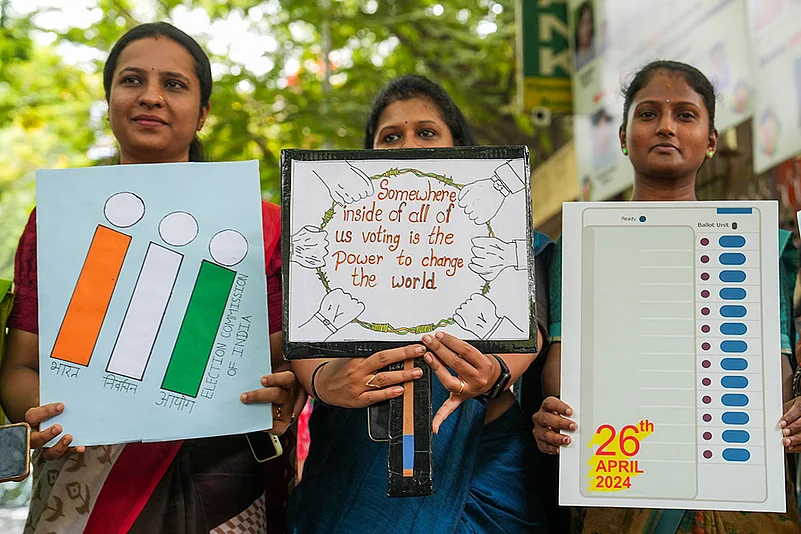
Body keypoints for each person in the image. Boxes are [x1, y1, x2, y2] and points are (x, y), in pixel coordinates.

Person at [0, 22, 304, 534]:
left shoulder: (264, 225)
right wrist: (43, 416)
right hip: (85, 480)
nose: (151, 97)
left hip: (224, 480)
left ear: (203, 112)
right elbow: (21, 367)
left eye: (175, 84)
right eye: (132, 80)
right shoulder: (57, 221)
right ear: (110, 98)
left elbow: (285, 362)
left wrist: (290, 386)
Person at [533, 60, 801, 533]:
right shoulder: (577, 247)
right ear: (622, 136)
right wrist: (552, 416)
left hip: (743, 495)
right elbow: (560, 356)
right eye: (648, 114)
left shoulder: (761, 248)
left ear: (712, 140)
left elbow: (778, 362)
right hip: (617, 493)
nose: (666, 127)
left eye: (686, 115)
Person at [287, 74, 549, 533]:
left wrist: (493, 373)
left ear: (459, 148)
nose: (408, 144)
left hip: (483, 472)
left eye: (427, 132)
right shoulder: (330, 243)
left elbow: (529, 331)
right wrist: (328, 383)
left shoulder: (514, 243)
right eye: (391, 137)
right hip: (352, 469)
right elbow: (307, 345)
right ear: (368, 156)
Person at [573, 1, 595, 71]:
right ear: (578, 26)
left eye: (589, 22)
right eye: (584, 23)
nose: (587, 28)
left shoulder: (596, 46)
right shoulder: (574, 59)